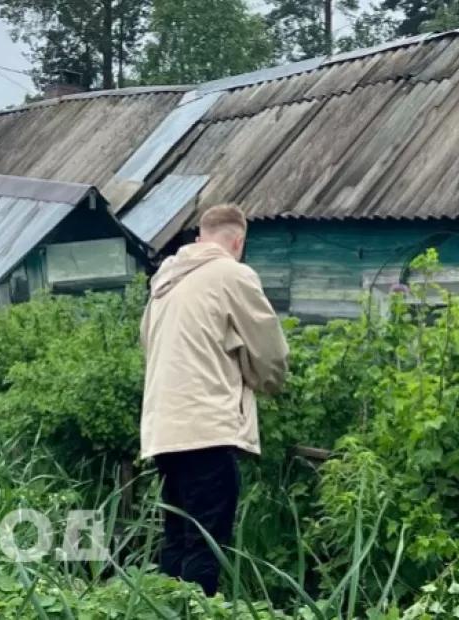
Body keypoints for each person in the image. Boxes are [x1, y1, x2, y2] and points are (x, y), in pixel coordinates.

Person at [139, 203, 289, 596]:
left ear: (199, 238)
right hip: (207, 427)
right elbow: (269, 349)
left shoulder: (164, 283)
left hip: (163, 430)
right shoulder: (232, 275)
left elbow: (148, 345)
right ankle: (199, 609)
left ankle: (164, 606)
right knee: (207, 542)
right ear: (238, 242)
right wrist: (268, 383)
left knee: (178, 537)